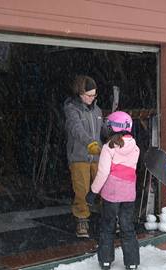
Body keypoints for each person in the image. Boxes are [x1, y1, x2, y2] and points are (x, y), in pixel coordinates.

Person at [85, 111, 140, 270]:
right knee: (127, 227)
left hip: (111, 195)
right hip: (129, 195)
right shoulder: (135, 147)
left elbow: (103, 173)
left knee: (107, 227)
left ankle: (106, 260)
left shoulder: (108, 148)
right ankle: (132, 262)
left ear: (112, 128)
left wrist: (93, 192)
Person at [64, 75, 105, 238]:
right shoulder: (72, 109)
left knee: (103, 187)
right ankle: (82, 219)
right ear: (80, 93)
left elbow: (102, 130)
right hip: (79, 156)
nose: (92, 98)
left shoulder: (97, 110)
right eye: (89, 95)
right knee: (82, 189)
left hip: (97, 156)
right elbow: (76, 129)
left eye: (94, 95)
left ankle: (109, 217)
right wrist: (90, 143)